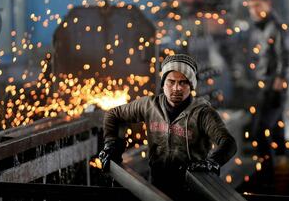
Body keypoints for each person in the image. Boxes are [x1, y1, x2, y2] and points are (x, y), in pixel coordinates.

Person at [98, 54, 237, 200]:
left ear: (191, 86)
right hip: (158, 188)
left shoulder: (202, 113)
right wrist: (111, 144)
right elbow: (113, 115)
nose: (176, 88)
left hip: (192, 190)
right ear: (163, 83)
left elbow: (228, 143)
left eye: (183, 83)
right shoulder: (149, 106)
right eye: (171, 82)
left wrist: (212, 162)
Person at [246, 0, 289, 185]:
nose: (254, 10)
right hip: (264, 85)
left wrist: (280, 80)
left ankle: (267, 177)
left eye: (258, 5)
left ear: (268, 4)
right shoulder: (260, 28)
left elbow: (286, 56)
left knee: (260, 131)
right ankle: (282, 173)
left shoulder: (275, 26)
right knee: (275, 131)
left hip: (274, 87)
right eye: (251, 7)